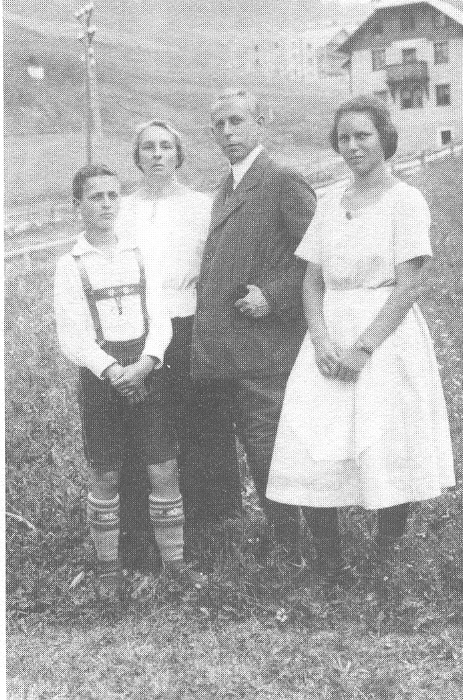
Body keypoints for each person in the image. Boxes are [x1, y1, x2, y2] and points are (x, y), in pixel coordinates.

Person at [266, 95, 455, 584]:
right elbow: (311, 279)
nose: (352, 147)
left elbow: (410, 281)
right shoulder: (329, 202)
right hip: (328, 335)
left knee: (387, 439)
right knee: (312, 439)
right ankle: (329, 558)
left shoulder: (405, 200)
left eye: (362, 136)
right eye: (344, 138)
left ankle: (384, 550)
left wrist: (363, 348)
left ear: (384, 138)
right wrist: (323, 342)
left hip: (384, 335)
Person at [54, 164, 207, 602]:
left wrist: (148, 361)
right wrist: (110, 370)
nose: (105, 204)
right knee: (106, 473)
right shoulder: (71, 264)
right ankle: (108, 570)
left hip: (146, 370)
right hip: (102, 379)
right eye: (95, 196)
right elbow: (72, 335)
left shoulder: (141, 253)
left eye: (112, 195)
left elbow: (160, 317)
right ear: (78, 204)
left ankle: (175, 563)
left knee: (163, 466)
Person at [191, 88, 317, 563]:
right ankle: (287, 541)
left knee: (271, 451)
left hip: (265, 351)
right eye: (219, 125)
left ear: (261, 123)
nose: (228, 133)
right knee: (252, 452)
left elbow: (320, 258)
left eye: (237, 122)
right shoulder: (225, 186)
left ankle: (299, 549)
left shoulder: (282, 180)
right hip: (226, 353)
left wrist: (275, 295)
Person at [117, 120, 242, 561]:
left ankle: (208, 522)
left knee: (197, 421)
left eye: (165, 147)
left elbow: (218, 265)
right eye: (147, 147)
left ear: (178, 155)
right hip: (137, 329)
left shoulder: (201, 206)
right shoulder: (122, 209)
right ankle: (140, 522)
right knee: (142, 425)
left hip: (189, 323)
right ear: (137, 157)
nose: (156, 154)